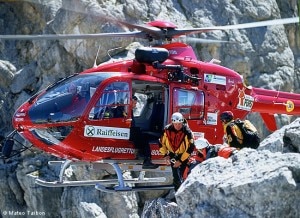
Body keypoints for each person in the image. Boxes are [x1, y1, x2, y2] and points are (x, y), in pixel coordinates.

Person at [159, 112, 195, 191]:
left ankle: (184, 194)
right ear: (172, 123)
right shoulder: (166, 130)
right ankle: (177, 195)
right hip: (172, 155)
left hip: (184, 155)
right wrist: (165, 155)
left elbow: (191, 147)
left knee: (184, 176)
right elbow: (161, 143)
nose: (178, 126)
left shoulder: (187, 131)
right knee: (176, 177)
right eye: (176, 124)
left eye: (179, 124)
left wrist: (181, 160)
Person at [130, 95, 158, 169]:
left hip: (131, 131)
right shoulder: (126, 111)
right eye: (134, 103)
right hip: (127, 132)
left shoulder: (129, 111)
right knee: (144, 139)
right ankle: (147, 160)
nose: (135, 105)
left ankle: (143, 155)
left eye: (136, 103)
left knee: (143, 135)